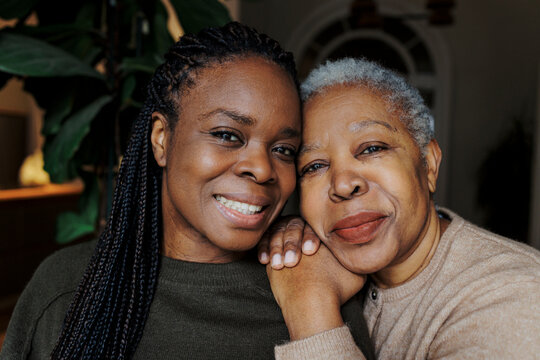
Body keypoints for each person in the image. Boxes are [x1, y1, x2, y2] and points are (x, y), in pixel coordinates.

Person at [0, 25, 375, 360]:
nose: (262, 168)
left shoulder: (317, 286)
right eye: (228, 135)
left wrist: (311, 301)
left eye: (284, 150)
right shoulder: (67, 288)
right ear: (162, 140)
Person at [260, 57, 540, 359]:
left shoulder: (516, 295)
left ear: (429, 164)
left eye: (371, 148)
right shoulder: (302, 257)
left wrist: (310, 305)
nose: (343, 184)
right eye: (314, 166)